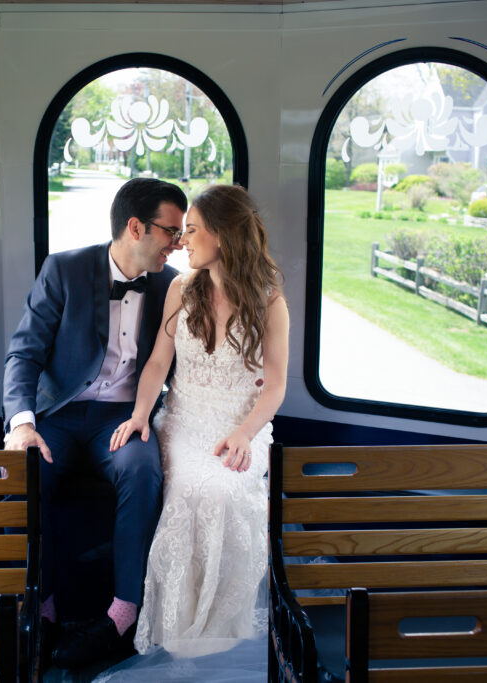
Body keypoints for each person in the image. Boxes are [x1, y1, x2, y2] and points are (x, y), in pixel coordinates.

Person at [2, 177, 188, 670]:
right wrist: (21, 424)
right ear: (135, 227)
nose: (179, 242)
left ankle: (123, 615)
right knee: (28, 473)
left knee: (143, 470)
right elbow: (23, 354)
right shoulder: (64, 269)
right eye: (171, 231)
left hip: (125, 419)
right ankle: (40, 612)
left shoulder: (172, 285)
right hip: (59, 415)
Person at [110, 184, 289, 657]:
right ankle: (178, 634)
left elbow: (274, 387)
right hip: (185, 421)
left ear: (224, 237)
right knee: (194, 488)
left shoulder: (269, 301)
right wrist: (140, 417)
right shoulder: (180, 288)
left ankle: (220, 631)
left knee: (228, 489)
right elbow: (156, 363)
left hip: (240, 425)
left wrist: (245, 433)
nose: (181, 241)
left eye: (191, 231)